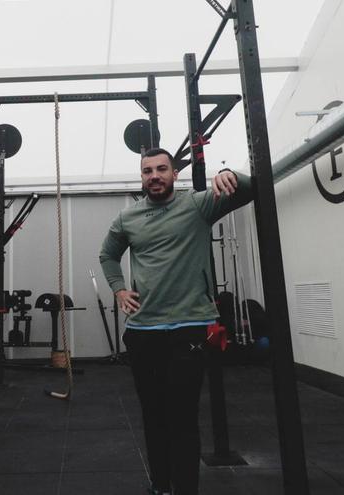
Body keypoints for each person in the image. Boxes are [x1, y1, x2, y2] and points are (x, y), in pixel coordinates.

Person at [99, 148, 253, 495]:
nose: (153, 176)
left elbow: (250, 189)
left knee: (182, 417)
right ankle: (161, 486)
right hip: (142, 331)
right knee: (153, 416)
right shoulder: (128, 218)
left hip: (188, 327)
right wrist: (119, 290)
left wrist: (230, 175)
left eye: (161, 169)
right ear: (142, 177)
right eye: (147, 171)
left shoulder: (198, 205)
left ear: (174, 174)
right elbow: (108, 255)